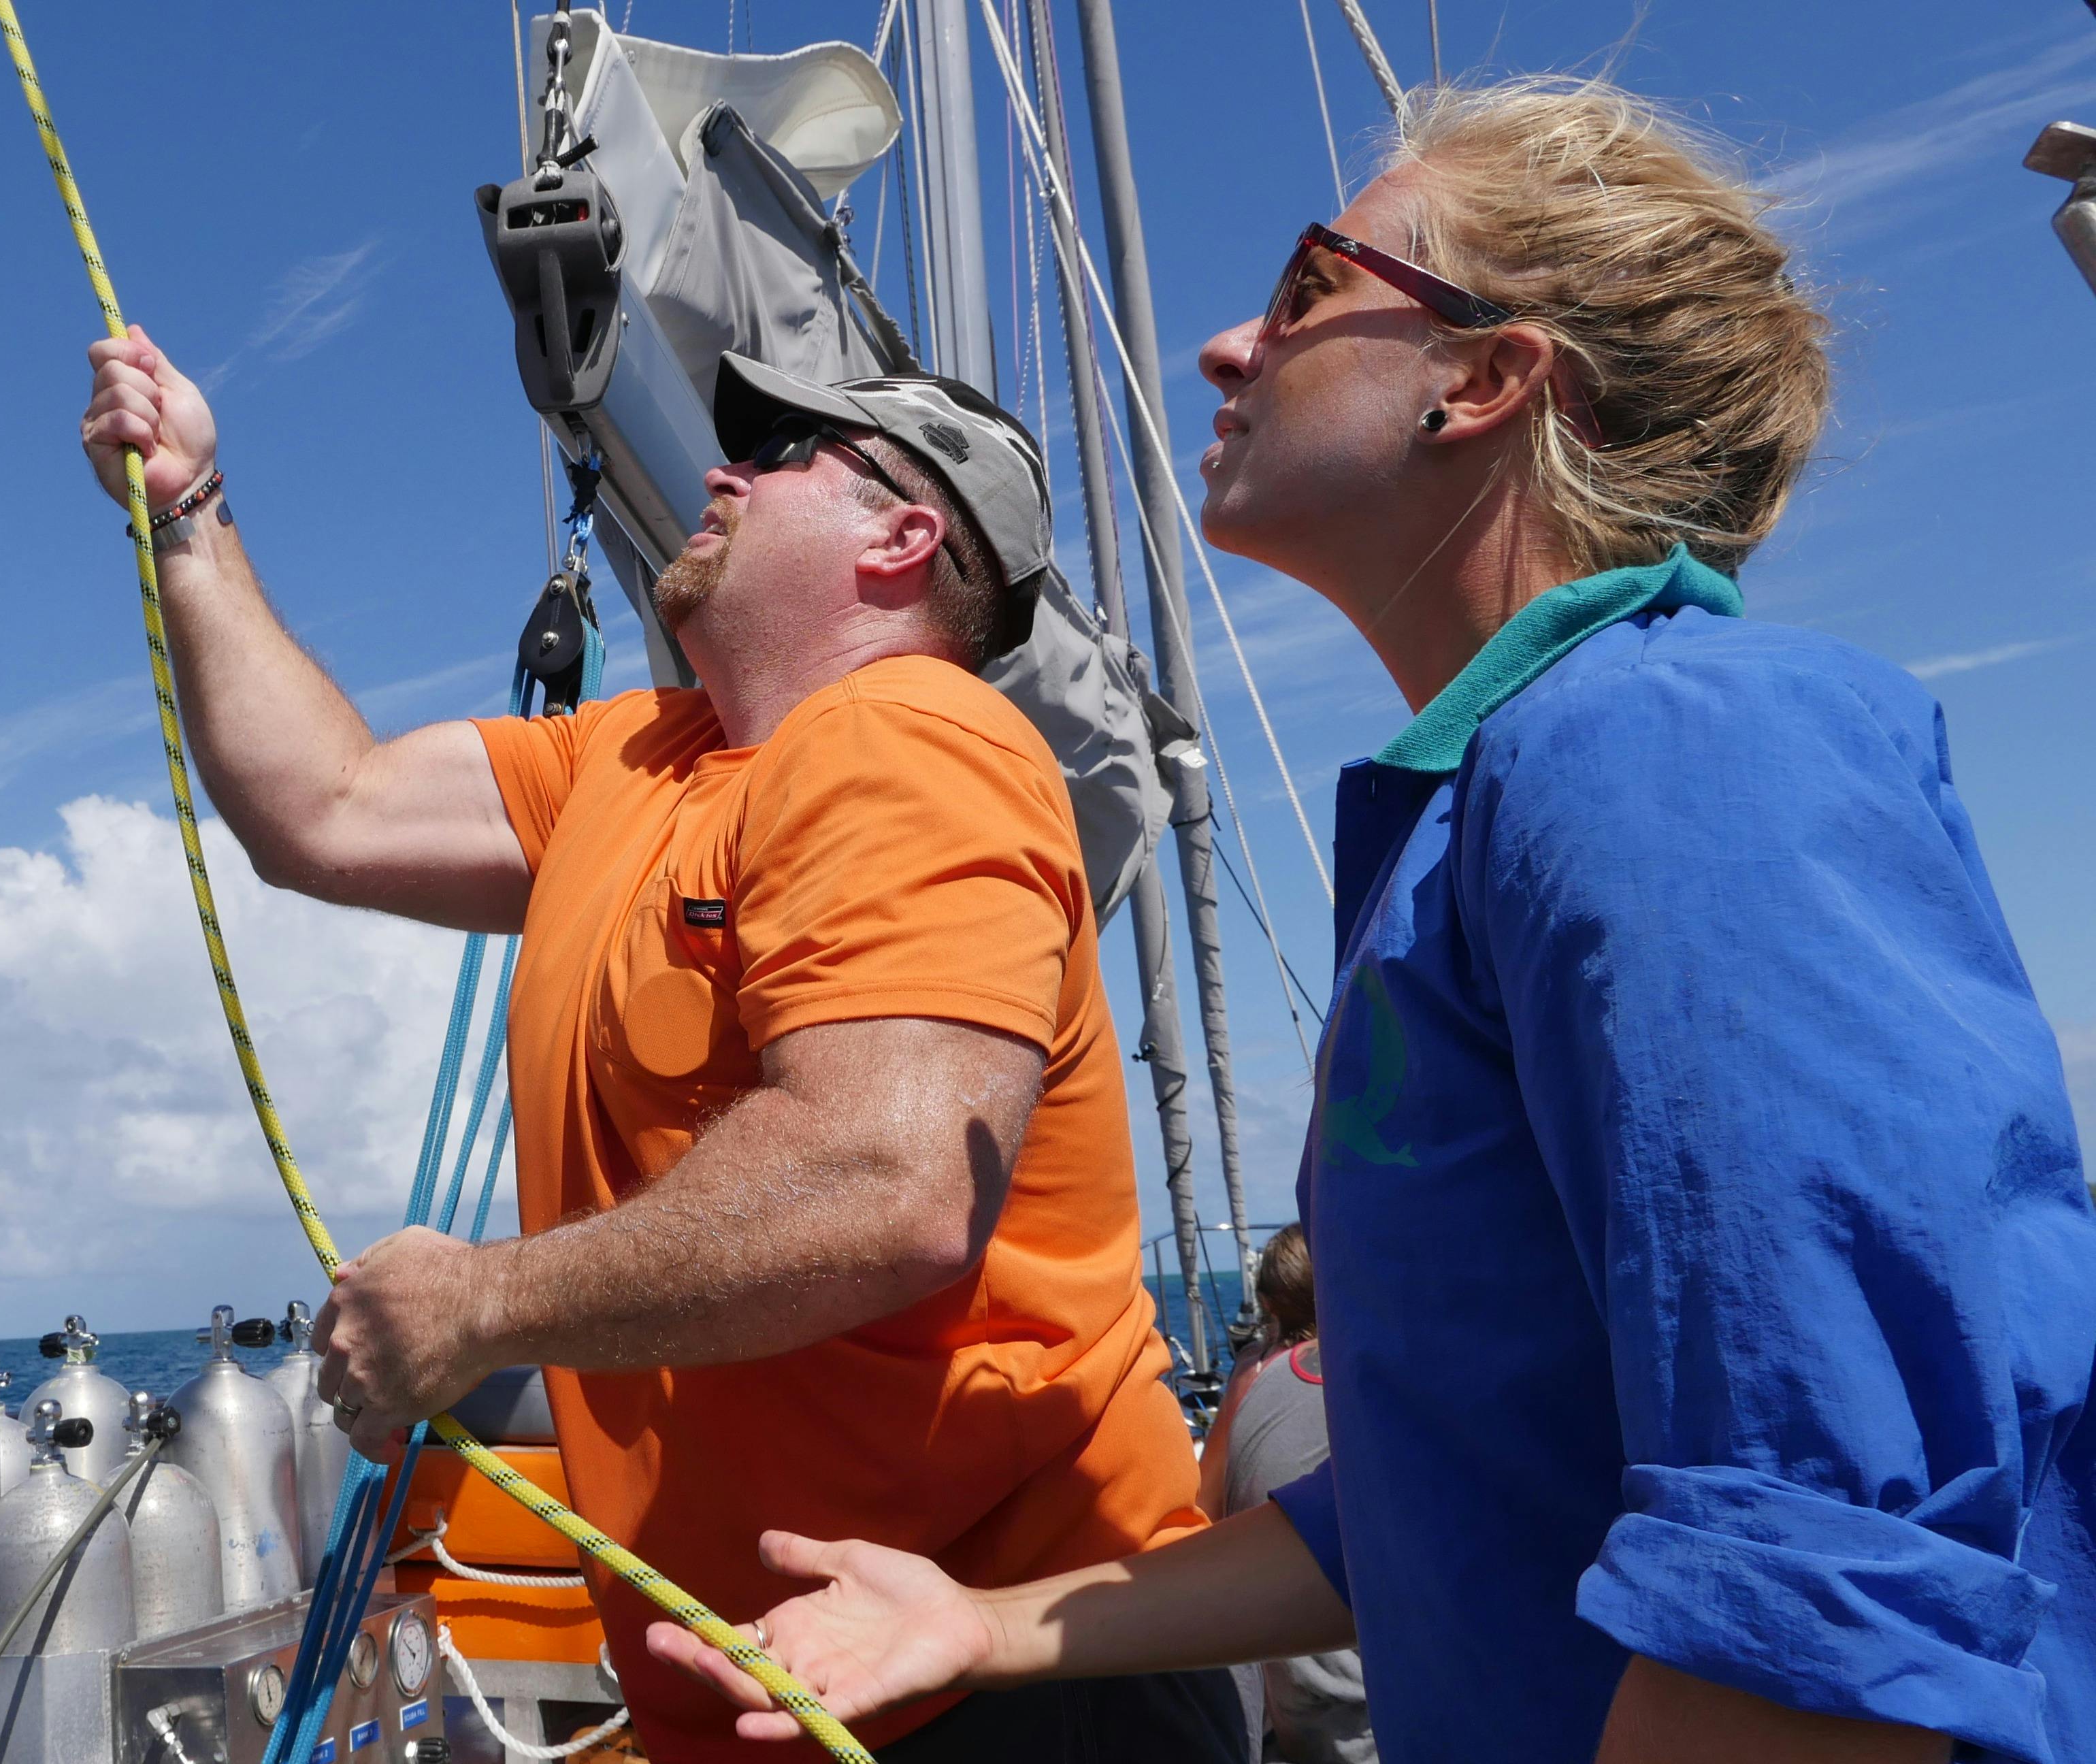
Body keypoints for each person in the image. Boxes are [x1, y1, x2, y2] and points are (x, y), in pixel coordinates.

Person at [648, 76, 2096, 1764]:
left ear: (1483, 378)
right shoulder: (1478, 816)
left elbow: (1816, 1575)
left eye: (1308, 287)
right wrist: (980, 1621)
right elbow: (1440, 1499)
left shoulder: (1673, 741)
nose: (1223, 346)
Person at [76, 335, 1245, 1758]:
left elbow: (886, 1178)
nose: (717, 473)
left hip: (1007, 1692)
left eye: (778, 455)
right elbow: (327, 806)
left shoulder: (914, 737)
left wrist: (477, 1308)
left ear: (904, 531)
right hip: (786, 1693)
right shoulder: (636, 762)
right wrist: (191, 509)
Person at [1199, 1224, 1371, 1764]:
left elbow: (1203, 1509)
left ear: (1271, 1304)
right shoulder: (1351, 1384)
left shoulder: (1250, 1381)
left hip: (1275, 1711)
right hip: (1355, 1726)